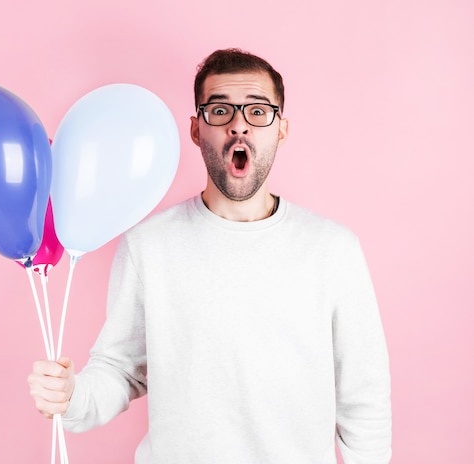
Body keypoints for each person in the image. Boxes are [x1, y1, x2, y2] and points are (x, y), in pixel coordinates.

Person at [28, 48, 392, 463]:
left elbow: (364, 396)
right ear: (197, 130)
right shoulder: (149, 244)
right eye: (220, 110)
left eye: (258, 111)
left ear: (281, 129)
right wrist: (72, 397)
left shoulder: (333, 249)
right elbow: (121, 368)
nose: (239, 125)